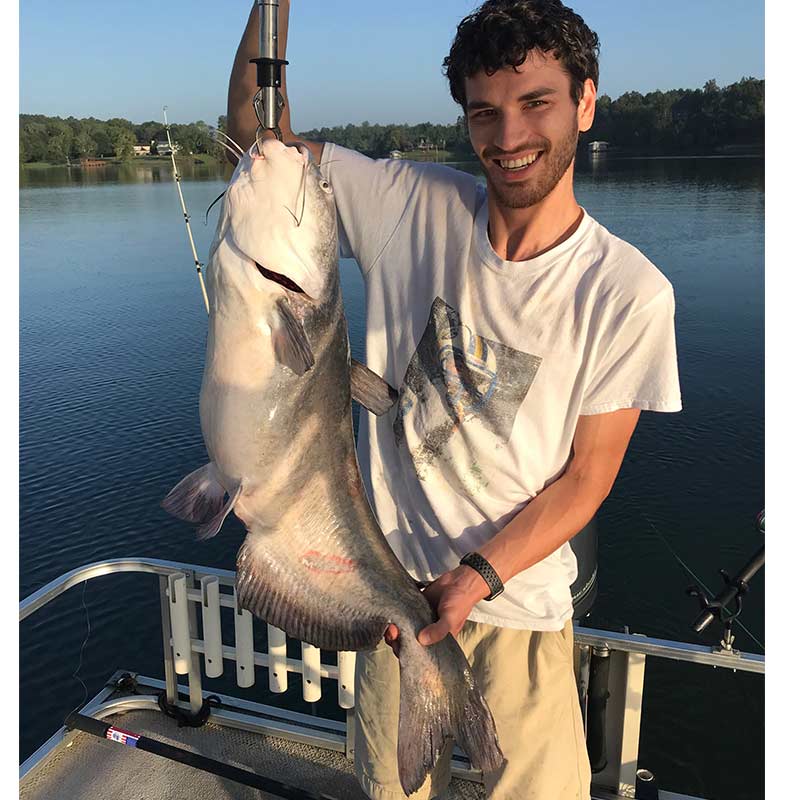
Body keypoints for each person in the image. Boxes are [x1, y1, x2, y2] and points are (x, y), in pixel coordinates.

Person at [228, 1, 682, 798]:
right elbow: (256, 140)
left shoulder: (628, 293)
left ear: (585, 101)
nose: (507, 138)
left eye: (535, 102)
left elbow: (588, 476)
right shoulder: (409, 204)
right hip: (390, 597)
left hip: (518, 611)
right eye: (485, 111)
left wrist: (474, 578)